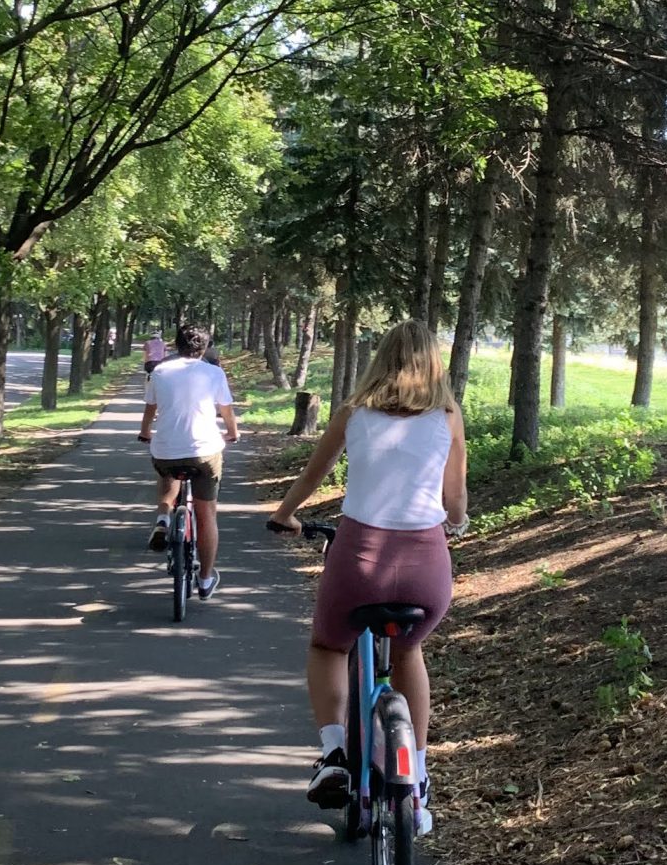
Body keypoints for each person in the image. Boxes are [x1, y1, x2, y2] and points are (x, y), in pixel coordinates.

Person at [267, 317, 467, 838]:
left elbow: (313, 476)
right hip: (426, 566)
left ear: (380, 360)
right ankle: (418, 783)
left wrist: (286, 514)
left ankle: (334, 751)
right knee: (409, 653)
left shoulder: (353, 413)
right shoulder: (447, 416)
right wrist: (458, 521)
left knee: (329, 647)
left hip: (359, 559)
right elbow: (455, 501)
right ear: (433, 363)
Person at [139, 324, 239, 598]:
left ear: (175, 345)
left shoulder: (159, 371)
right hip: (205, 451)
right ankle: (205, 581)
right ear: (204, 348)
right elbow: (226, 410)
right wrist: (232, 433)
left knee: (167, 471)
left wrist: (145, 433)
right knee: (207, 517)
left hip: (166, 450)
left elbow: (150, 409)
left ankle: (163, 517)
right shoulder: (214, 372)